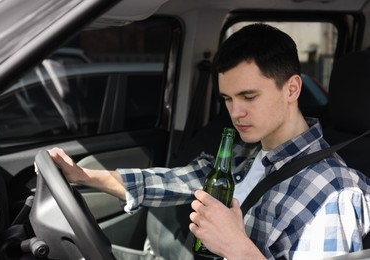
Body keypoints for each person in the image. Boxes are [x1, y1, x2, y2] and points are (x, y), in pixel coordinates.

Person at [49, 23, 370, 259]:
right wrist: (85, 176)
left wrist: (236, 246)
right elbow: (175, 180)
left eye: (248, 96)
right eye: (227, 99)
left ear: (292, 89)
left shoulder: (336, 193)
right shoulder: (245, 151)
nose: (236, 112)